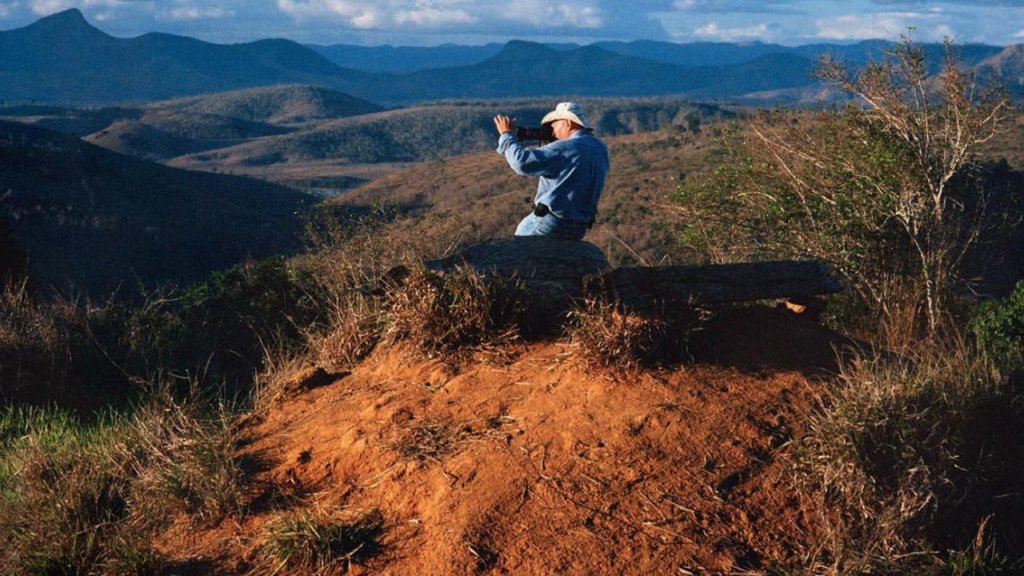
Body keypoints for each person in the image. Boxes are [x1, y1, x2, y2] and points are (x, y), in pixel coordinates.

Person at [493, 102, 609, 240]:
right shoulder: (600, 148)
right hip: (580, 227)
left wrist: (507, 136)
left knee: (517, 252)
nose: (551, 130)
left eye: (553, 124)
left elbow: (521, 163)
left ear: (567, 123)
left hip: (552, 223)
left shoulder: (567, 147)